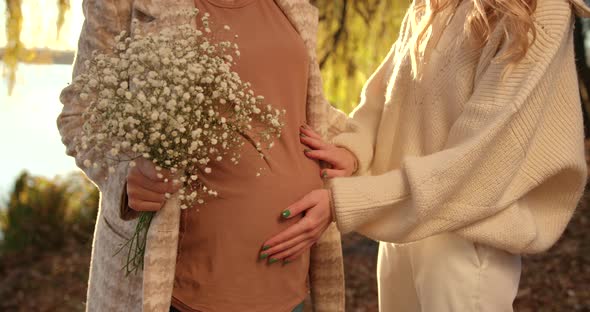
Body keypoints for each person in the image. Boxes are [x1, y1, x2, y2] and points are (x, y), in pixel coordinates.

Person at [263, 0, 590, 311]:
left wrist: (345, 201)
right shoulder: (434, 3)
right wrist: (354, 149)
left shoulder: (536, 11)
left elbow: (477, 161)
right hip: (402, 228)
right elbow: (389, 94)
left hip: (464, 246)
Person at [57, 0, 352, 311]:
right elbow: (80, 115)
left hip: (290, 284)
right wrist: (124, 176)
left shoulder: (291, 5)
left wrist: (350, 153)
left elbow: (296, 104)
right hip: (179, 293)